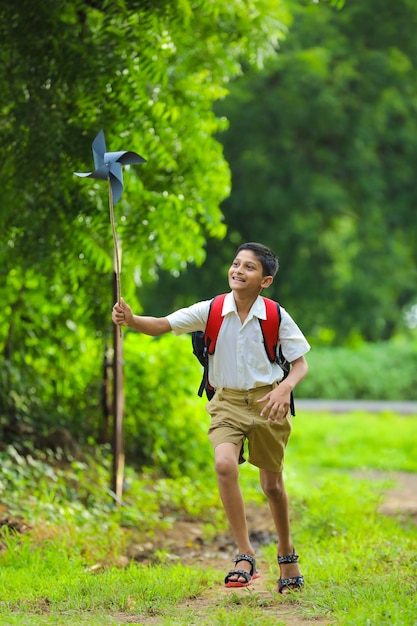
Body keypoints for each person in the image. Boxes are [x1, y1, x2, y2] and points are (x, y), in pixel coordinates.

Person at [112, 242, 310, 594]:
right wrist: (131, 319)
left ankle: (286, 551)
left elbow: (300, 363)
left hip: (268, 403)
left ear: (265, 281)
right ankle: (245, 555)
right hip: (227, 402)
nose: (238, 270)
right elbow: (161, 324)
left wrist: (284, 389)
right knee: (224, 465)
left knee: (272, 486)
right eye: (236, 264)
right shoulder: (212, 309)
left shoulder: (276, 316)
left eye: (248, 267)